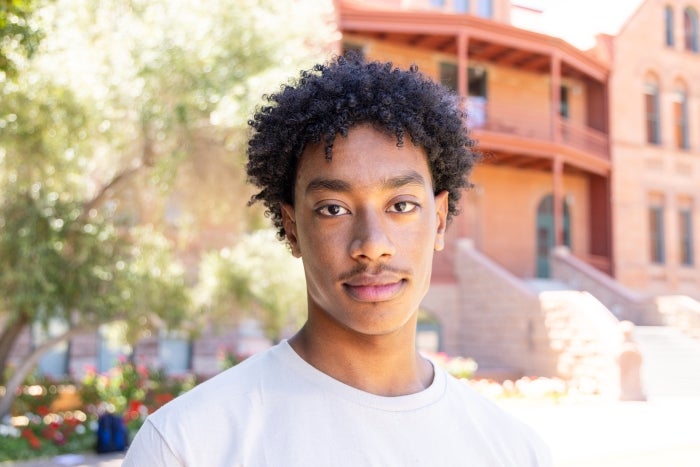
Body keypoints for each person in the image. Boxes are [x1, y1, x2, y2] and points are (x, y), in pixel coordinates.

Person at [123, 54, 552, 466]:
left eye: (401, 205)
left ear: (438, 221)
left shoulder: (513, 451)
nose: (372, 244)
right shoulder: (188, 445)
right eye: (333, 209)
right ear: (292, 229)